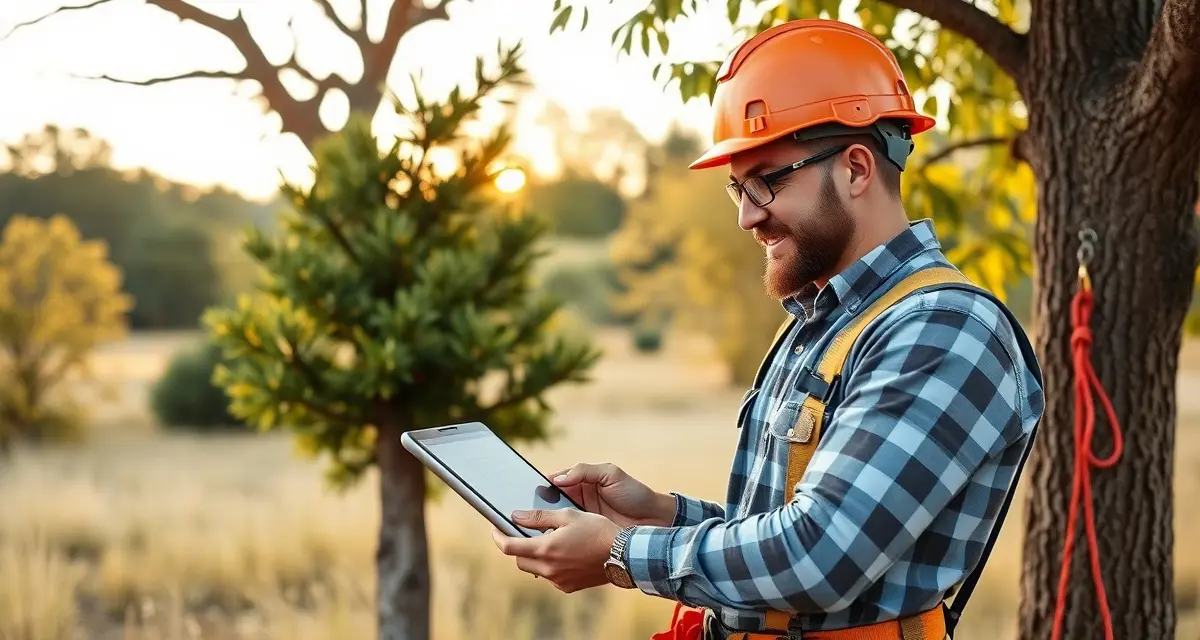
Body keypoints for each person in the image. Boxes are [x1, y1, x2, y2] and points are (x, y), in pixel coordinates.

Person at [492, 17, 1045, 640]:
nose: (748, 216)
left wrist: (624, 551)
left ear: (858, 169)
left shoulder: (943, 330)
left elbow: (820, 557)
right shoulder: (822, 324)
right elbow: (778, 527)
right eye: (737, 190)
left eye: (767, 182)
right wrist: (660, 515)